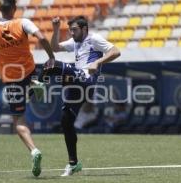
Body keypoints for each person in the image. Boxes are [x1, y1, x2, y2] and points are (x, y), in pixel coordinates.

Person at [41, 15, 121, 176]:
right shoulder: (75, 42)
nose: (71, 33)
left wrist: (98, 62)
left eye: (74, 29)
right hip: (76, 84)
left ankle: (39, 84)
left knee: (53, 64)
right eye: (70, 30)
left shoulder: (94, 39)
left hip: (87, 80)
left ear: (84, 29)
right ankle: (73, 164)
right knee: (66, 121)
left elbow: (116, 51)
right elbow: (55, 47)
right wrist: (56, 29)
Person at [0, 0, 55, 177]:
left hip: (11, 79)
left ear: (0, 9)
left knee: (18, 120)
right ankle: (35, 85)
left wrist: (2, 46)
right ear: (14, 8)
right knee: (35, 82)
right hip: (29, 71)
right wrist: (51, 56)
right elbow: (41, 38)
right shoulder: (23, 22)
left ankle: (34, 150)